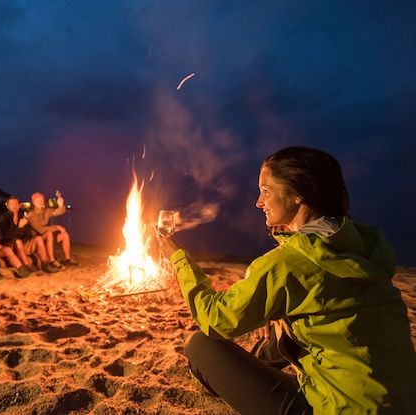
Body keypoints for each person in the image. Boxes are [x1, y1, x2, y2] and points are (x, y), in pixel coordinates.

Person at [157, 147, 416, 414]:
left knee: (200, 345)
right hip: (402, 402)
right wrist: (280, 313)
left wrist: (179, 259)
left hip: (341, 408)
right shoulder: (364, 248)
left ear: (298, 194)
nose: (259, 202)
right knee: (282, 329)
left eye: (266, 192)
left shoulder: (287, 264)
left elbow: (215, 319)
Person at [0, 196, 60, 274]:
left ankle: (45, 265)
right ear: (7, 205)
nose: (14, 206)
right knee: (18, 241)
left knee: (38, 238)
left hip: (24, 244)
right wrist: (19, 227)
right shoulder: (3, 218)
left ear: (19, 205)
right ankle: (27, 266)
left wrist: (26, 231)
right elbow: (5, 236)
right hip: (11, 246)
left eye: (16, 203)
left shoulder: (22, 216)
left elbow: (28, 232)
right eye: (12, 204)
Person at [27, 191, 79, 268]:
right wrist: (57, 227)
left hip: (47, 239)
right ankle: (52, 261)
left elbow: (57, 212)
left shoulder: (46, 211)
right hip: (37, 241)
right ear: (33, 202)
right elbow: (39, 230)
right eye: (37, 201)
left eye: (41, 200)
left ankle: (67, 259)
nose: (40, 202)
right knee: (49, 233)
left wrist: (61, 205)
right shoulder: (31, 214)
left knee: (64, 235)